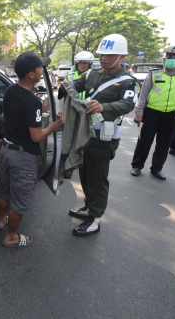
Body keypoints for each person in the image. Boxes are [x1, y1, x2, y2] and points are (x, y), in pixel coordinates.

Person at [67, 34, 139, 236]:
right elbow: (76, 86)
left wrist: (103, 106)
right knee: (84, 172)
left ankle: (95, 218)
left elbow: (127, 104)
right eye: (102, 54)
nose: (105, 58)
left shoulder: (127, 81)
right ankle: (89, 207)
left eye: (110, 55)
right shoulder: (92, 74)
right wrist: (65, 87)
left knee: (98, 177)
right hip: (84, 133)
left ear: (122, 57)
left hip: (104, 137)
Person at [0, 51, 63, 247]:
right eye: (39, 69)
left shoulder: (10, 90)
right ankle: (11, 237)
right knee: (20, 200)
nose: (41, 71)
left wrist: (41, 108)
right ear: (31, 75)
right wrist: (52, 127)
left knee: (4, 190)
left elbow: (21, 113)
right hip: (22, 157)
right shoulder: (31, 100)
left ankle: (1, 221)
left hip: (7, 151)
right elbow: (36, 136)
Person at [130, 45, 175, 180]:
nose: (172, 60)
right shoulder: (153, 74)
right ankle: (137, 165)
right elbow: (143, 95)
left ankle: (157, 168)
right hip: (152, 113)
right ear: (165, 59)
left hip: (172, 114)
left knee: (164, 142)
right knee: (144, 141)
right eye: (170, 57)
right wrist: (139, 113)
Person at [57, 51, 94, 117]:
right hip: (72, 109)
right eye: (80, 63)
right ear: (77, 64)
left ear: (90, 64)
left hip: (88, 109)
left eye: (85, 63)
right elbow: (62, 96)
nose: (82, 65)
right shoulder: (69, 76)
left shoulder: (94, 76)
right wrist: (60, 111)